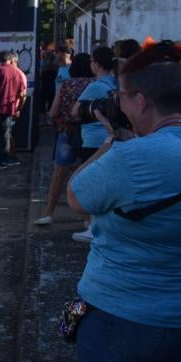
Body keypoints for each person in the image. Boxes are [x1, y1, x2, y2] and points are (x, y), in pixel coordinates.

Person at [66, 40, 181, 362]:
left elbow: (77, 196)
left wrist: (114, 142)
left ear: (139, 101)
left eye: (121, 98)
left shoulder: (132, 158)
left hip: (117, 312)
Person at [35, 53, 93, 226]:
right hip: (89, 133)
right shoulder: (95, 85)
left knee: (59, 173)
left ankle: (48, 213)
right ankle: (87, 218)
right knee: (88, 173)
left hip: (67, 132)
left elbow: (53, 112)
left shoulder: (65, 85)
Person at [69, 46, 117, 242]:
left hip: (92, 139)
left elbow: (75, 111)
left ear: (96, 64)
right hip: (109, 136)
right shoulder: (114, 83)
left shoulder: (95, 86)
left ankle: (92, 225)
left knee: (87, 181)